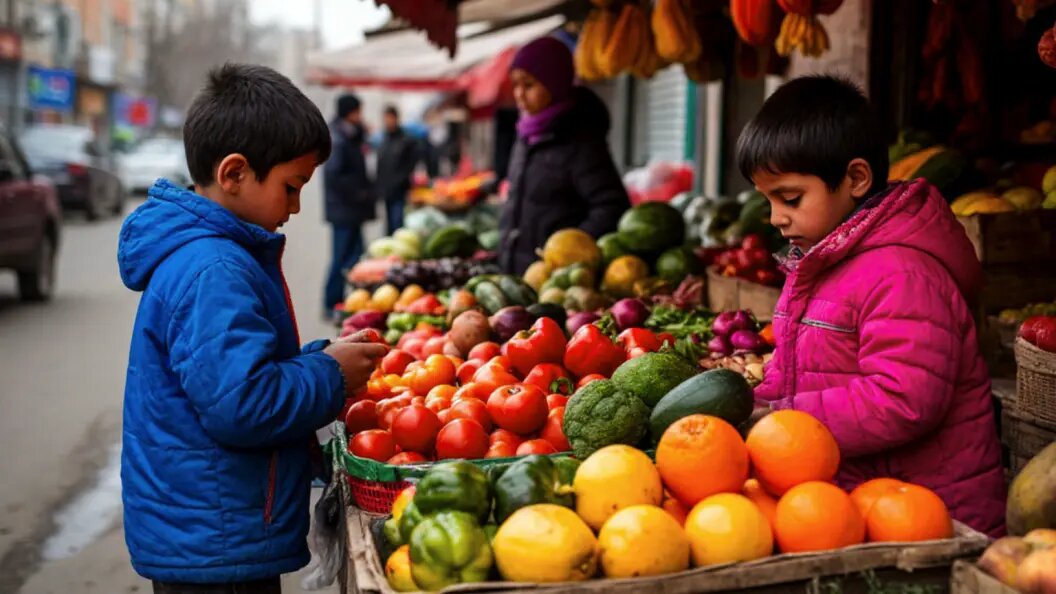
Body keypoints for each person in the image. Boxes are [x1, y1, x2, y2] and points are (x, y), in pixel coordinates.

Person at [116, 64, 388, 593]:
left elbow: (234, 373)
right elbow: (243, 405)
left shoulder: (214, 256)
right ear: (234, 173)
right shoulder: (214, 269)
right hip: (215, 542)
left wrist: (319, 356)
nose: (296, 206)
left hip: (208, 531)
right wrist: (329, 375)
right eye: (291, 186)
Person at [743, 75, 1005, 536]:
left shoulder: (903, 275)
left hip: (930, 520)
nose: (775, 217)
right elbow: (791, 374)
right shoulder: (818, 263)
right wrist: (751, 407)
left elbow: (904, 399)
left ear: (856, 179)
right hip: (856, 506)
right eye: (767, 200)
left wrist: (785, 419)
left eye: (789, 198)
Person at [499, 36, 630, 275]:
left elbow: (611, 206)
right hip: (518, 273)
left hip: (557, 280)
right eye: (515, 85)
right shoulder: (525, 135)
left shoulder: (580, 139)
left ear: (555, 83)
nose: (519, 94)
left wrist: (569, 253)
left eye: (528, 85)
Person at [323, 93, 374, 318]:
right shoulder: (338, 138)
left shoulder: (350, 135)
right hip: (344, 209)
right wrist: (359, 192)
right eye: (358, 112)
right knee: (341, 257)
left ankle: (349, 302)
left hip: (352, 209)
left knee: (355, 256)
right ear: (349, 112)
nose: (360, 116)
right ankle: (331, 302)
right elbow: (334, 176)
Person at [375, 105, 420, 235]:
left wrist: (402, 180)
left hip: (400, 190)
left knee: (398, 222)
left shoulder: (406, 140)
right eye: (385, 118)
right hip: (386, 190)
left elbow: (412, 163)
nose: (388, 121)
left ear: (396, 118)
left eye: (390, 118)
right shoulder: (383, 139)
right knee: (388, 224)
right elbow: (380, 165)